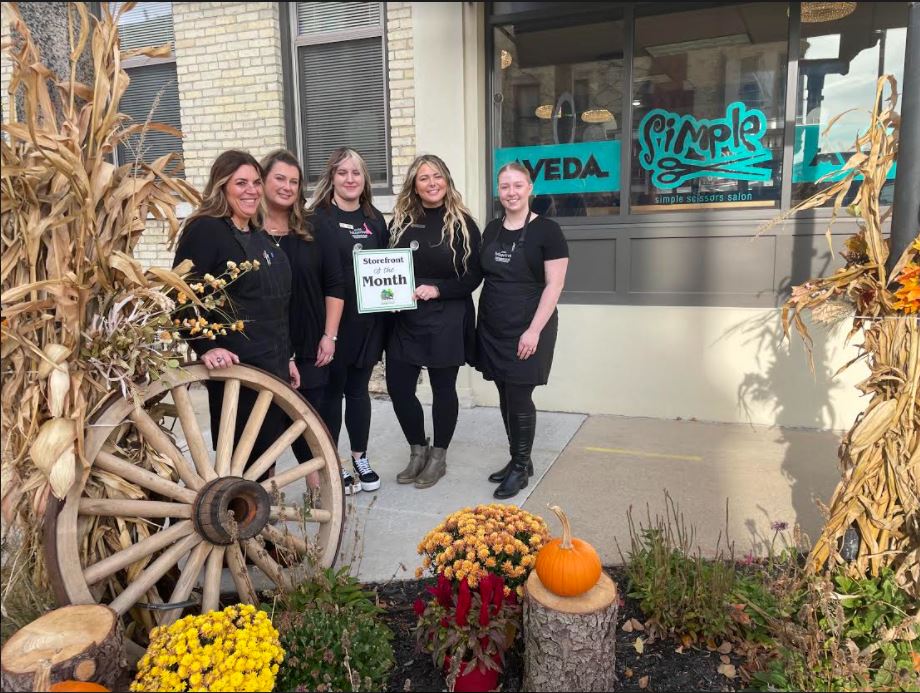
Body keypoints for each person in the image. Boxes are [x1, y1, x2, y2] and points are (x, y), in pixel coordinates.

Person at [173, 149, 296, 474]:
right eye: (241, 183)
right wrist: (206, 346)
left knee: (265, 456)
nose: (251, 190)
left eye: (256, 182)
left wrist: (288, 358)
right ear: (222, 186)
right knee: (241, 462)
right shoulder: (206, 230)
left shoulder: (257, 235)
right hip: (237, 371)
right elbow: (181, 295)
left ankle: (259, 505)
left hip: (273, 366)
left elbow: (273, 305)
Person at [387, 155, 482, 489]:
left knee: (443, 390)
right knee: (399, 388)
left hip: (447, 317)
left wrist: (438, 290)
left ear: (447, 180)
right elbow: (386, 267)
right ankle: (418, 450)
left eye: (437, 176)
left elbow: (474, 276)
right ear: (414, 185)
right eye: (424, 178)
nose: (432, 183)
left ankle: (438, 457)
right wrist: (388, 297)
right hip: (406, 319)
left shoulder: (462, 223)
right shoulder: (400, 222)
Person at [476, 162, 569, 499]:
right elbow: (477, 273)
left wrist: (533, 331)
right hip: (493, 327)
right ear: (498, 191)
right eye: (505, 186)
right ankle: (519, 459)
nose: (511, 192)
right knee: (504, 393)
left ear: (530, 188)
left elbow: (554, 285)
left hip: (529, 328)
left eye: (517, 185)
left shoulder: (548, 231)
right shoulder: (491, 229)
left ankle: (520, 468)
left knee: (518, 395)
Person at [260, 149, 345, 490]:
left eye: (294, 181)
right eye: (279, 178)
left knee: (311, 422)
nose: (287, 187)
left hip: (310, 342)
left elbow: (335, 284)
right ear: (263, 180)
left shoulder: (316, 227)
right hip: (265, 345)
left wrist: (330, 336)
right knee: (265, 427)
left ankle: (319, 495)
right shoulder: (248, 231)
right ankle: (261, 497)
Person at [306, 148, 388, 494]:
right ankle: (332, 461)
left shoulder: (375, 219)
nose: (350, 179)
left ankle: (359, 458)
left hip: (369, 324)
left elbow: (387, 268)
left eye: (356, 173)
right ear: (332, 177)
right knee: (331, 394)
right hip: (334, 324)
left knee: (358, 392)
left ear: (364, 179)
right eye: (343, 173)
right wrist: (326, 331)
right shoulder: (317, 219)